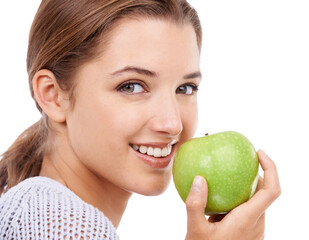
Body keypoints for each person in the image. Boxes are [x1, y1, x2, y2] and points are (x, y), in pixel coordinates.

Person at [0, 0, 281, 239]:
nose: (173, 124)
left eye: (185, 88)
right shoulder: (56, 221)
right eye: (132, 86)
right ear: (52, 95)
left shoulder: (35, 210)